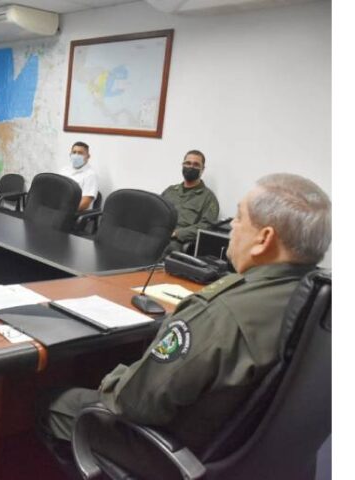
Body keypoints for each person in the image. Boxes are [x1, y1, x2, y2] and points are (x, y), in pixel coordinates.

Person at [41, 173, 331, 479]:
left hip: (181, 456)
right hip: (254, 459)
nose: (231, 225)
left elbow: (134, 402)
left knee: (55, 404)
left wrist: (113, 376)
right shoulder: (321, 303)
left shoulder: (220, 313)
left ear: (264, 239)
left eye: (240, 217)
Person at [161, 150, 220, 252]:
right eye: (188, 163)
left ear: (202, 169)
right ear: (183, 165)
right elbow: (156, 211)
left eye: (196, 164)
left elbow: (206, 227)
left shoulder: (208, 198)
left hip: (178, 241)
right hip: (159, 234)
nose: (191, 167)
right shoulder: (170, 191)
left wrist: (177, 233)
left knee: (166, 249)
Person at [59, 141, 99, 211]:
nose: (76, 155)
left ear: (88, 156)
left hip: (76, 213)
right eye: (74, 152)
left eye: (80, 153)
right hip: (60, 210)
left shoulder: (91, 175)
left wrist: (66, 212)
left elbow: (85, 203)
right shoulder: (64, 170)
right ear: (70, 154)